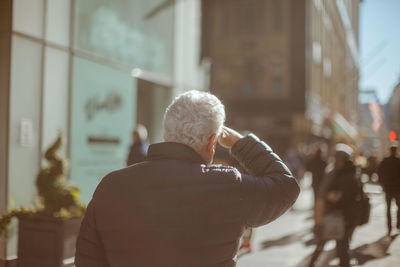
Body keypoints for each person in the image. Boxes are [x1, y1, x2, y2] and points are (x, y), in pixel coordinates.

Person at [75, 90, 300, 267]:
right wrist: (240, 143)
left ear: (165, 133)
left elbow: (88, 260)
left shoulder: (111, 186)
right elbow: (285, 187)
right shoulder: (228, 185)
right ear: (213, 142)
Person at [309, 144, 360, 267]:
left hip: (340, 215)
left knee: (337, 245)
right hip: (341, 215)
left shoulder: (343, 174)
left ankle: (312, 264)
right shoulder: (346, 172)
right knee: (337, 244)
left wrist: (332, 197)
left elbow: (342, 196)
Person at [378, 141, 400, 236]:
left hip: (390, 188)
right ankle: (397, 225)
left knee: (389, 208)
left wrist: (382, 184)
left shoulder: (385, 161)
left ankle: (390, 227)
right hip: (396, 189)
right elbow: (379, 173)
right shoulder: (397, 161)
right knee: (397, 207)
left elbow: (379, 173)